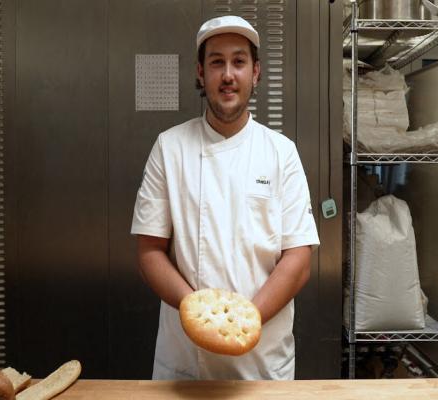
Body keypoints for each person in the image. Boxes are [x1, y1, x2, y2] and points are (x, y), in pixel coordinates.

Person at [131, 15, 320, 380]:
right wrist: (202, 317)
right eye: (217, 62)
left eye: (239, 61)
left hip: (262, 363)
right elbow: (149, 251)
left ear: (256, 72)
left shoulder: (281, 152)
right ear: (201, 73)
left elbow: (298, 257)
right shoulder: (169, 148)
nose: (228, 74)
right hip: (186, 364)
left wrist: (244, 322)